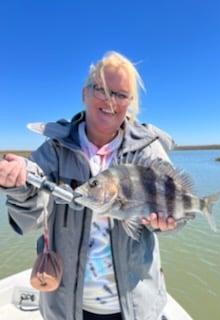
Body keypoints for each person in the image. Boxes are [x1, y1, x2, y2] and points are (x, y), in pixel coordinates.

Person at [0, 51, 179, 320]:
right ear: (84, 93)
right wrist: (18, 183)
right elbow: (28, 220)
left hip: (135, 307)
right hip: (68, 306)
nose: (110, 100)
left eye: (121, 94)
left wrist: (167, 220)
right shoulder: (55, 150)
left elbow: (178, 204)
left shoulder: (147, 150)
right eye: (102, 89)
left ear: (130, 102)